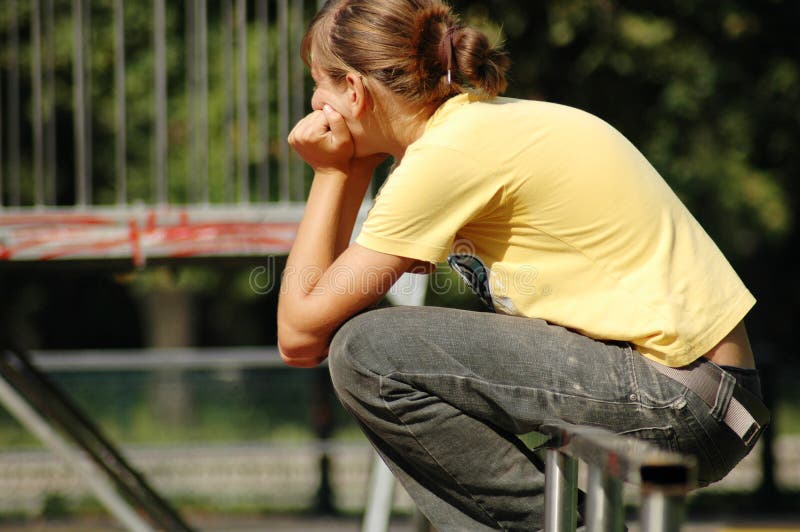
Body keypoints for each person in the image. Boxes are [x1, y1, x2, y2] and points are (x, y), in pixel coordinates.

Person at [277, 0, 770, 529]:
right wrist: (353, 166)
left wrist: (333, 174)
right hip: (703, 393)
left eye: (318, 85)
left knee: (365, 351)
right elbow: (324, 309)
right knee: (372, 348)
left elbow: (300, 335)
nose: (313, 103)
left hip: (684, 398)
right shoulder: (472, 131)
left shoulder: (448, 157)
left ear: (353, 91)